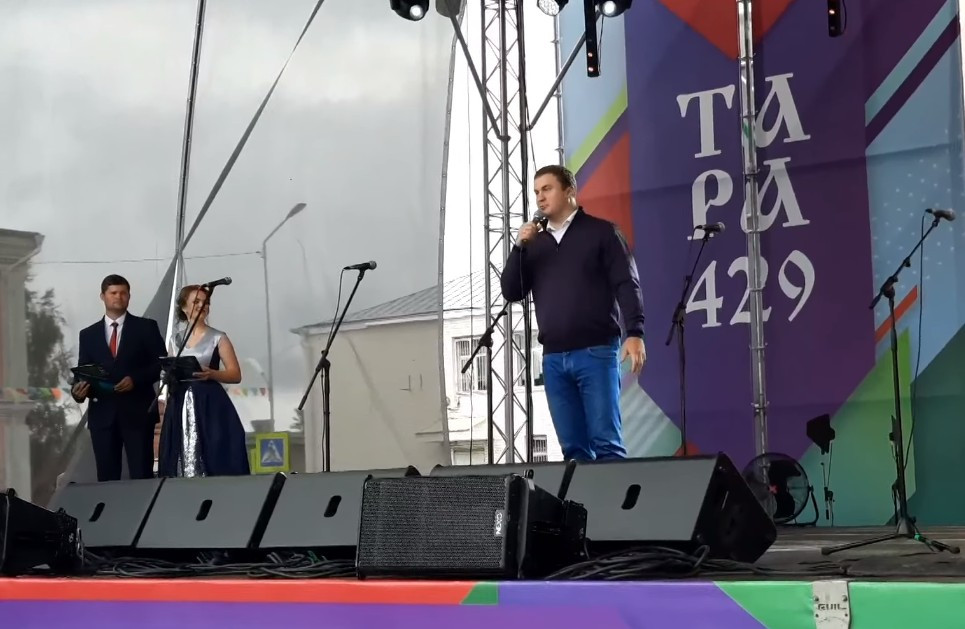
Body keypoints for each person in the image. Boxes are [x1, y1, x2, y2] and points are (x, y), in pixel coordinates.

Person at [500, 165, 647, 461]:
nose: (540, 197)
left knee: (607, 444)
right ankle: (584, 494)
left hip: (596, 351)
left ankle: (614, 494)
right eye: (536, 192)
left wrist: (635, 332)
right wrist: (519, 248)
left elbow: (626, 283)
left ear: (569, 191)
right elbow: (512, 291)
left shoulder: (601, 232)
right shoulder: (534, 244)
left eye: (547, 189)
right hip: (553, 359)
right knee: (573, 451)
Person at [71, 274, 167, 481]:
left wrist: (135, 379)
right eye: (113, 293)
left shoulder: (146, 327)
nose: (118, 297)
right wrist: (78, 392)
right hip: (102, 416)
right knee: (106, 478)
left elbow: (161, 363)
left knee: (141, 476)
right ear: (102, 296)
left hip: (138, 413)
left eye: (123, 293)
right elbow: (83, 371)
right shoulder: (88, 334)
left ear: (129, 296)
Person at [157, 284, 250, 477]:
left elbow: (235, 374)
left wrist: (213, 374)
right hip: (180, 400)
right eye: (196, 302)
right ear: (184, 307)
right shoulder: (175, 339)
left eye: (206, 302)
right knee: (178, 449)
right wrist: (169, 374)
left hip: (208, 402)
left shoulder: (218, 337)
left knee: (212, 449)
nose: (202, 306)